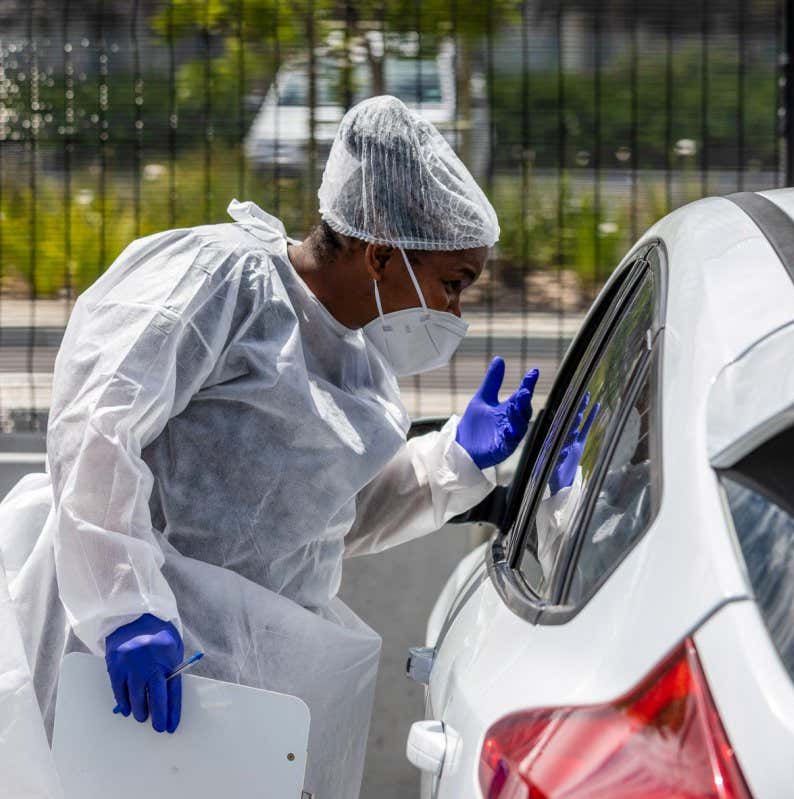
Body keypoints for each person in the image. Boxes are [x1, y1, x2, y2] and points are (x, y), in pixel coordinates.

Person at [0, 95, 538, 799]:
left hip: (234, 695)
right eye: (453, 283)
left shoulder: (359, 365)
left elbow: (321, 522)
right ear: (381, 253)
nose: (455, 312)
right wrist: (124, 604)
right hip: (118, 662)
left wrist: (451, 461)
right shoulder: (222, 282)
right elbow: (99, 425)